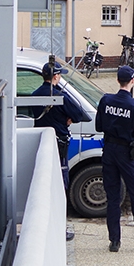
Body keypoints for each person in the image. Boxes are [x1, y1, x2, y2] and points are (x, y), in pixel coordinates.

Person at [95, 66, 134, 253]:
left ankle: (114, 241)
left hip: (109, 151)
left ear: (117, 80)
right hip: (127, 154)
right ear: (132, 81)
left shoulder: (106, 100)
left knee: (113, 197)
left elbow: (98, 126)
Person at [32, 59, 91, 240]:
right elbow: (81, 114)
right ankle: (59, 228)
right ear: (56, 76)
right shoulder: (60, 96)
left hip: (42, 142)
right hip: (60, 144)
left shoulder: (35, 94)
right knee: (60, 186)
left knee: (44, 184)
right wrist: (69, 117)